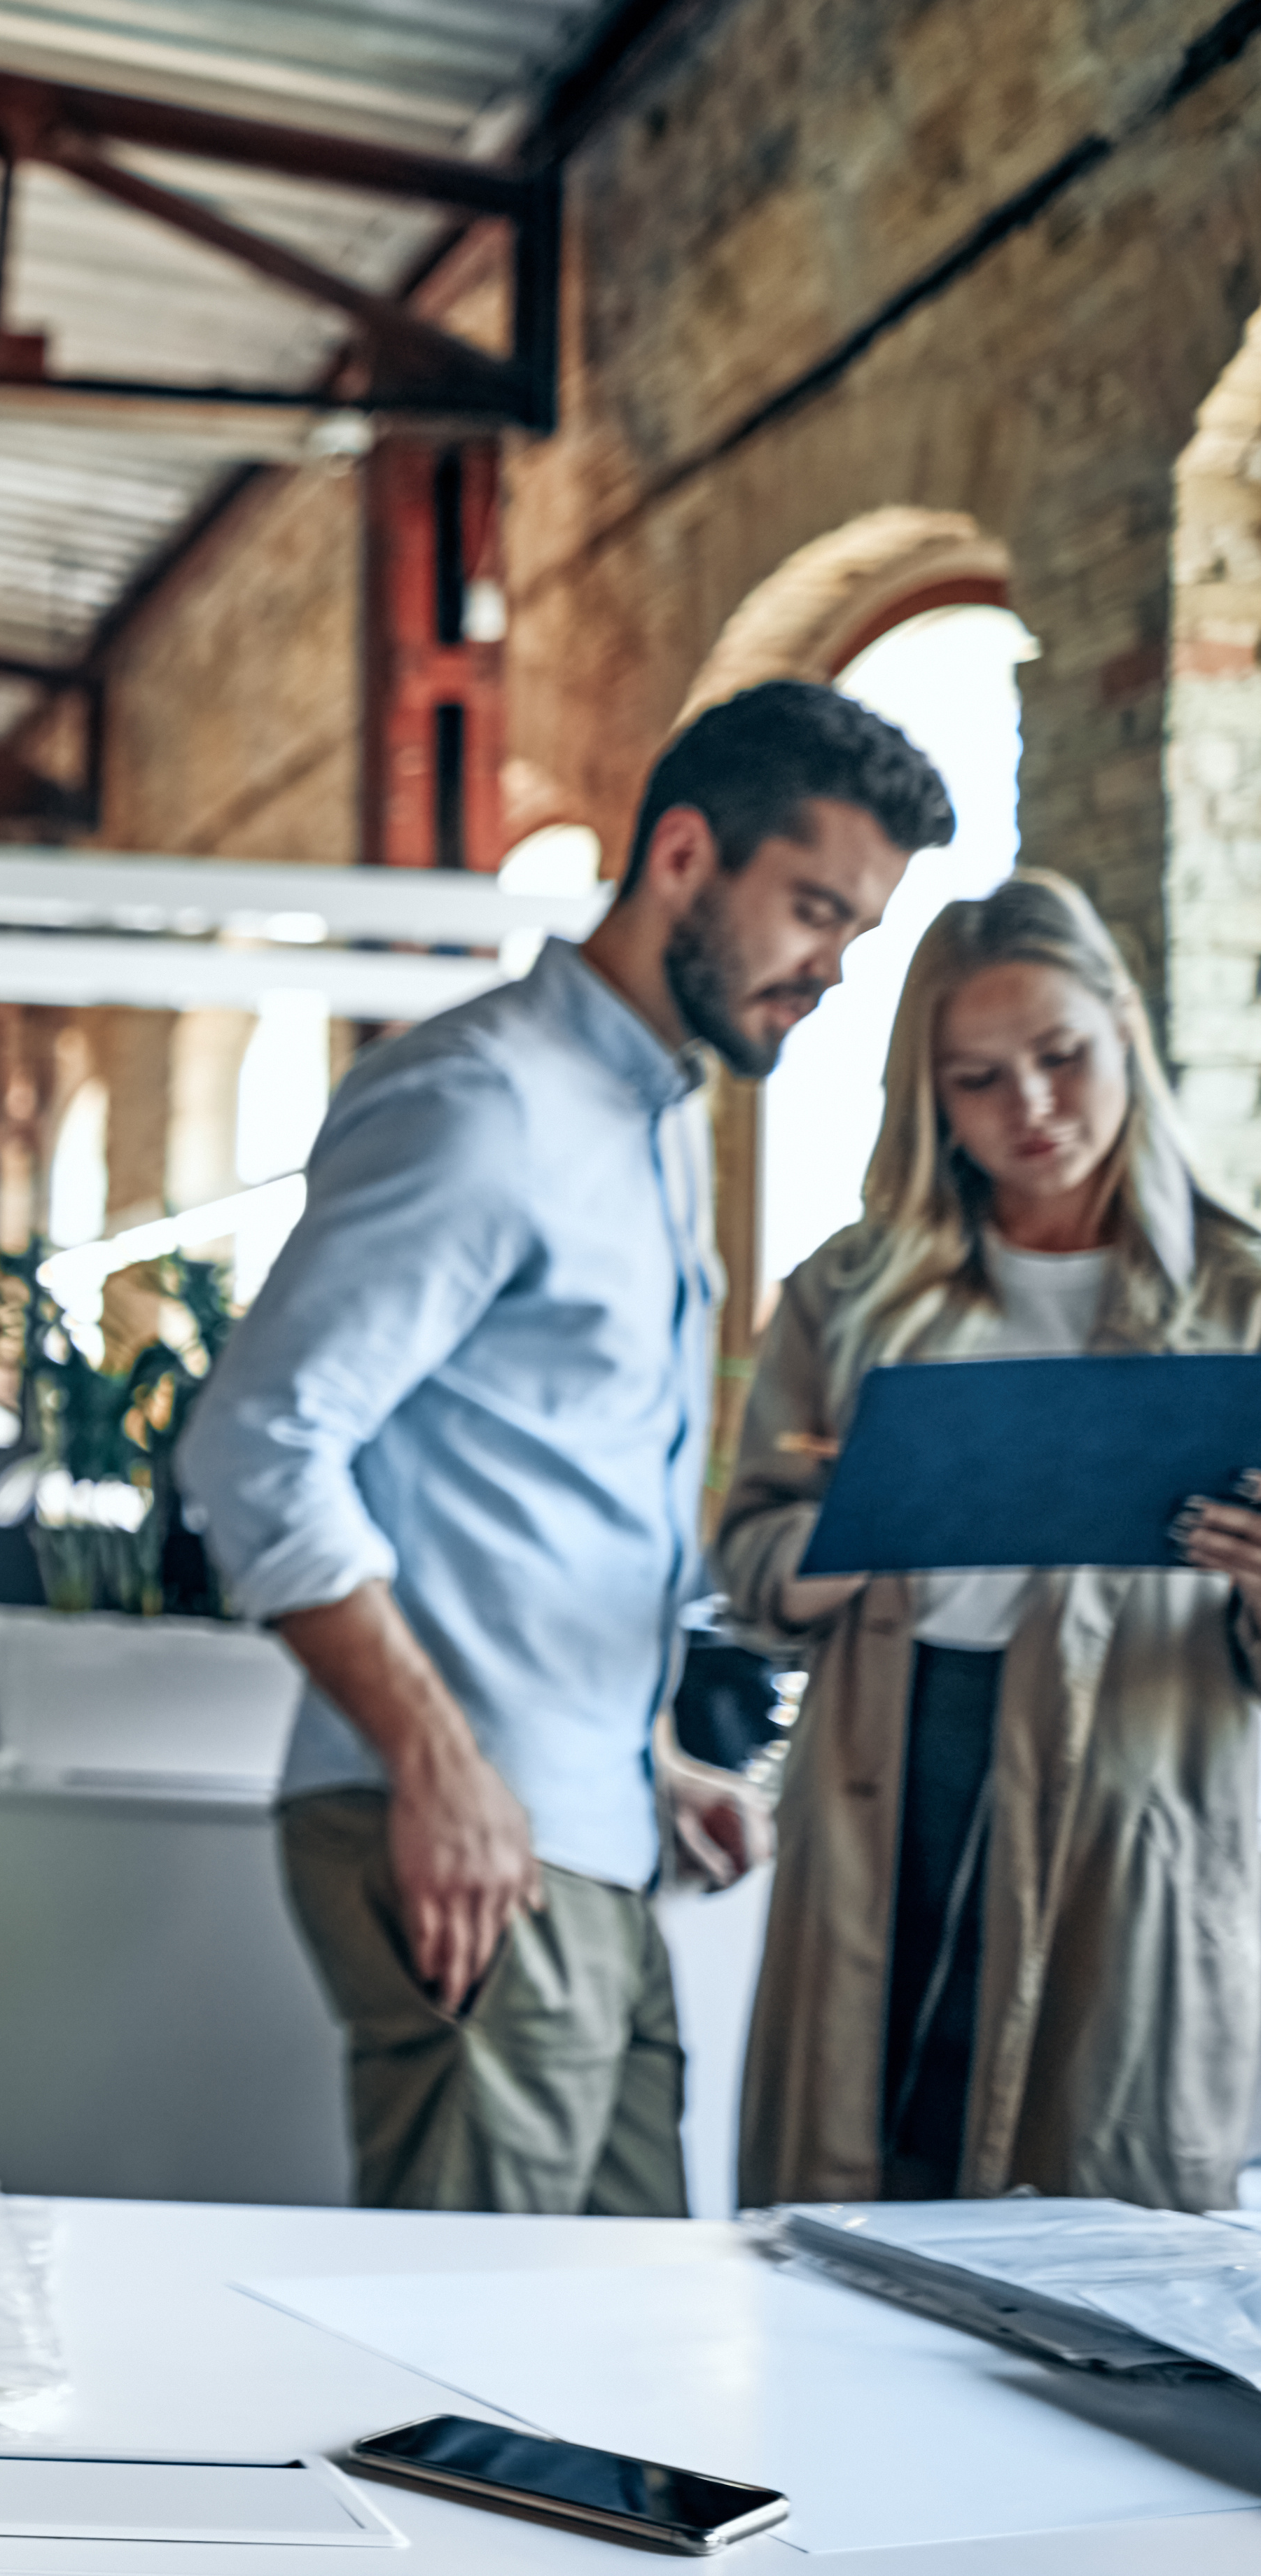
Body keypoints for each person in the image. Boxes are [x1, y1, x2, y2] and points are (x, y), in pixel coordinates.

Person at [176, 678, 952, 2216]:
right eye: (809, 910)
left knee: (616, 2351)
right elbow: (257, 1444)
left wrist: (639, 1759)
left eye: (853, 936)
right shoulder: (483, 1101)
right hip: (479, 1822)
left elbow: (530, 1488)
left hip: (580, 1825)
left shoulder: (647, 1113)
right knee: (483, 2389)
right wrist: (442, 1761)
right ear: (681, 857)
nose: (828, 972)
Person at [718, 872, 1261, 2208]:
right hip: (892, 1769)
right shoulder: (847, 1292)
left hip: (1132, 1790)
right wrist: (868, 1518)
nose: (1030, 1110)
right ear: (929, 1095)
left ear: (1124, 1029)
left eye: (1062, 1059)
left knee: (1095, 2229)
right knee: (861, 2193)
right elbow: (745, 1563)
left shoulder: (1244, 1298)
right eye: (977, 1078)